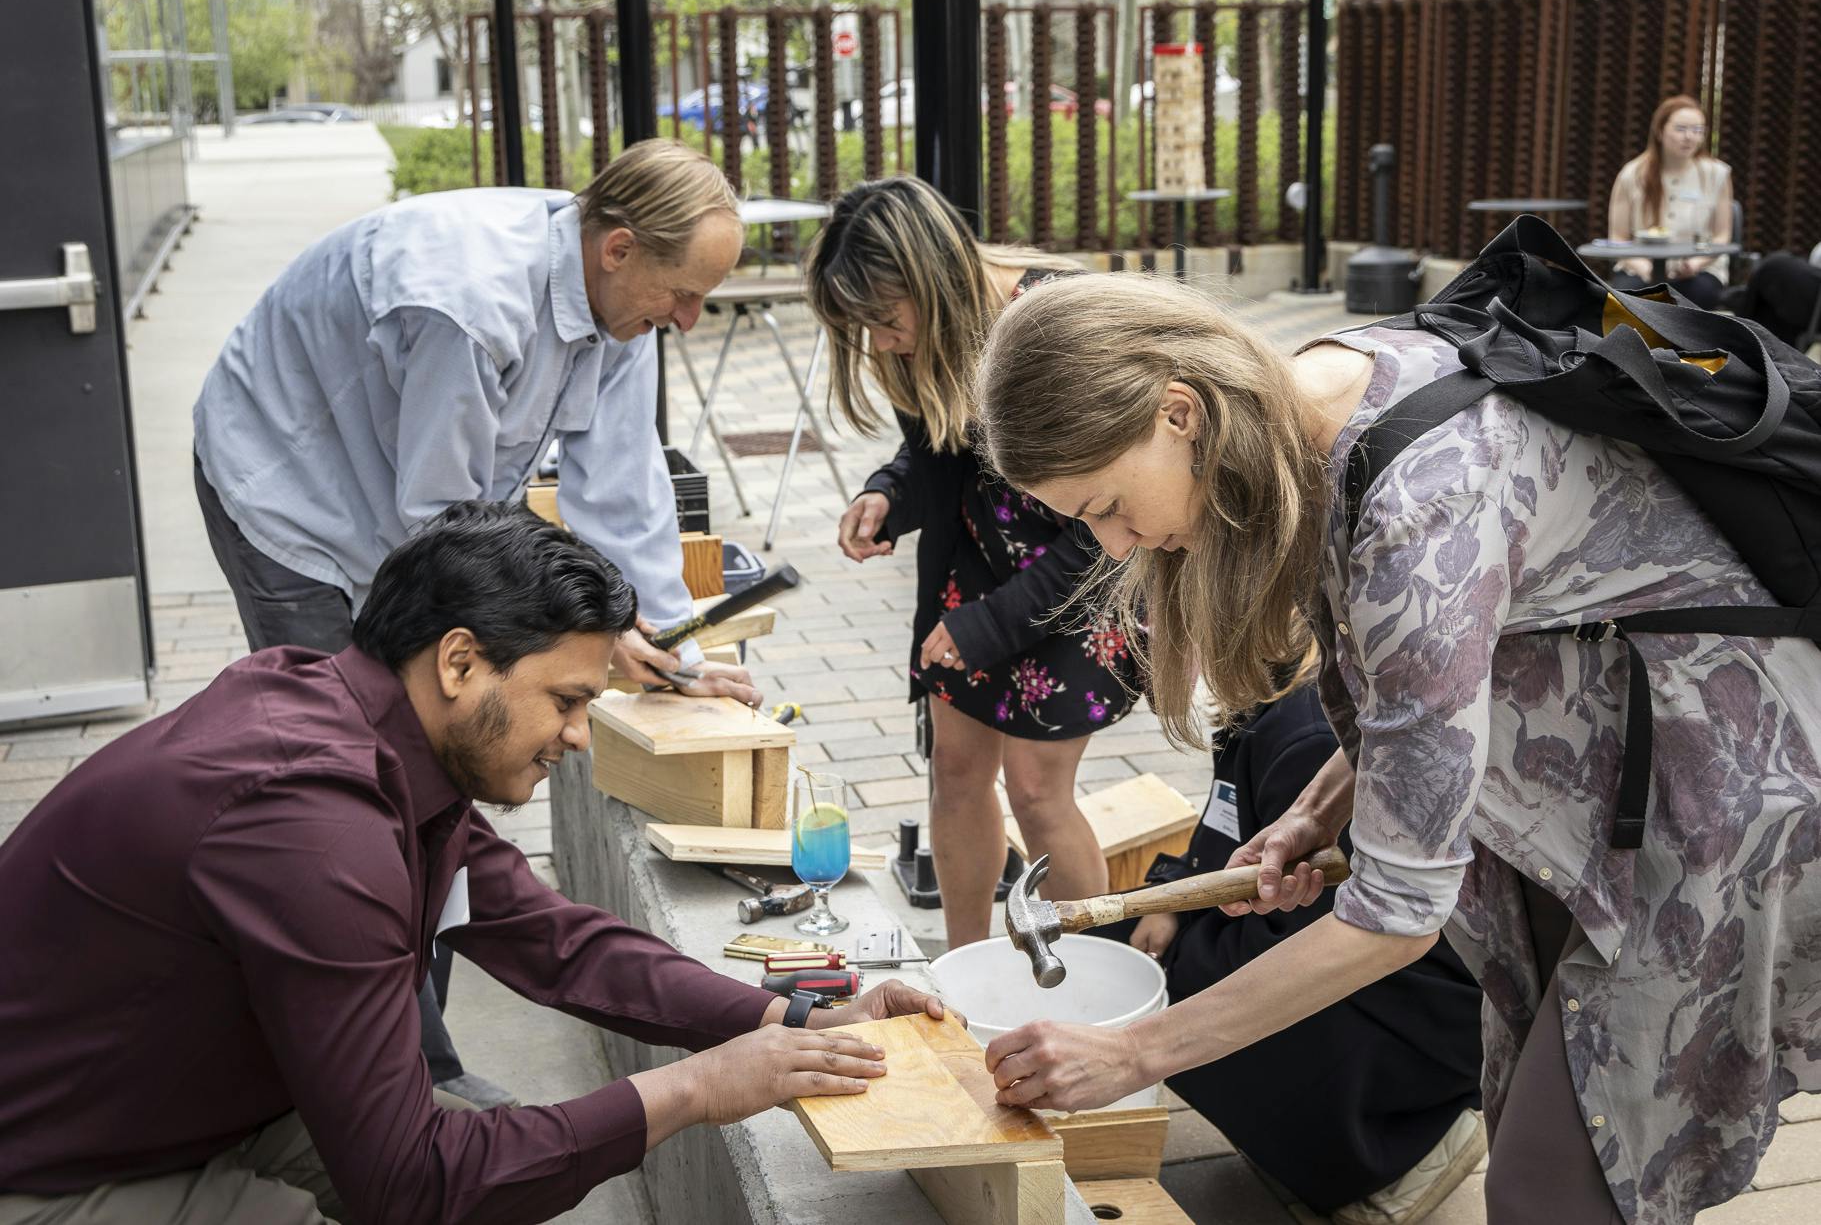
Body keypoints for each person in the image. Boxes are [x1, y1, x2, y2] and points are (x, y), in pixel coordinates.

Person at [969, 273, 1821, 1224]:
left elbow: (1396, 918)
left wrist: (1132, 1053)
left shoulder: (1421, 506)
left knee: (1554, 1184)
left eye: (1104, 505)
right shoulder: (1317, 387)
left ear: (1177, 412)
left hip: (1715, 796)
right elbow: (1429, 686)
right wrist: (1315, 809)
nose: (1118, 547)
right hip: (1589, 767)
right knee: (1557, 1139)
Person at [0, 503, 947, 1225]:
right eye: (568, 701)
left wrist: (800, 1014)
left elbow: (553, 940)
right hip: (57, 1168)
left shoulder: (368, 727)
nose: (579, 738)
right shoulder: (312, 826)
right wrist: (695, 1089)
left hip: (182, 1096)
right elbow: (408, 1182)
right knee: (463, 1176)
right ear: (460, 663)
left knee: (506, 1154)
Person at [192, 136, 761, 1106]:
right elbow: (441, 528)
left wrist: (667, 648)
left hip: (399, 498)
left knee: (434, 784)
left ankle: (410, 1064)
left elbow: (623, 493)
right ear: (618, 247)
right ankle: (402, 1088)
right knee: (363, 775)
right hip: (289, 489)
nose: (691, 319)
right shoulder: (466, 303)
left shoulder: (618, 308)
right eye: (683, 293)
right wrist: (568, 642)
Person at [804, 177, 1140, 948]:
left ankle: (1084, 986)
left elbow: (1111, 522)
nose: (884, 342)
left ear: (930, 276)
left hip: (1086, 574)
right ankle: (965, 971)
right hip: (984, 565)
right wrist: (889, 495)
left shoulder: (1057, 322)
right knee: (954, 772)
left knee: (1035, 790)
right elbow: (943, 456)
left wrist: (991, 623)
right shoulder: (929, 337)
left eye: (888, 320)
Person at [1115, 680, 1485, 1225]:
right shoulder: (1263, 715)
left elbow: (1338, 939)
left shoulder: (1307, 737)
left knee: (1182, 1005)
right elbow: (1229, 829)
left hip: (1412, 1001)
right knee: (1157, 975)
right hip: (1362, 952)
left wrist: (1144, 1040)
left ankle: (1405, 1151)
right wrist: (1173, 892)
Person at [1605, 93, 1732, 306]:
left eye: (1697, 130)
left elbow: (1722, 236)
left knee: (1696, 295)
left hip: (1698, 270)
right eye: (1681, 129)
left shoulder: (1717, 174)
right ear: (1660, 131)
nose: (1689, 137)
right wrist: (1644, 267)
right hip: (1639, 268)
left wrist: (1695, 264)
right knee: (1623, 298)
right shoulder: (1632, 173)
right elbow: (1618, 237)